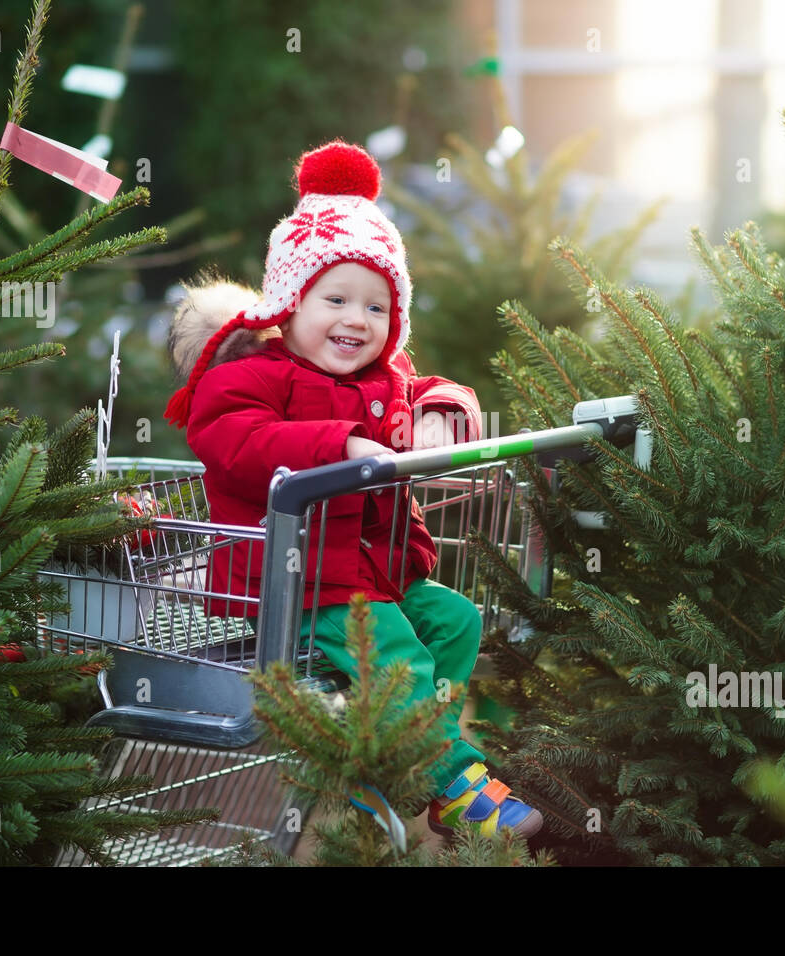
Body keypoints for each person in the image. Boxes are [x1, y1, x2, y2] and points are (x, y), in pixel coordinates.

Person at [163, 140, 543, 839]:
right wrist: (337, 444)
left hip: (377, 574)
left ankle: (380, 762)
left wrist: (439, 411)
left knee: (453, 620)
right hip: (301, 582)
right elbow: (234, 440)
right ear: (289, 303)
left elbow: (432, 385)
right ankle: (455, 783)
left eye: (376, 307)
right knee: (393, 650)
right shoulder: (251, 379)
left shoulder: (383, 377)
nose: (355, 320)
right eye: (335, 298)